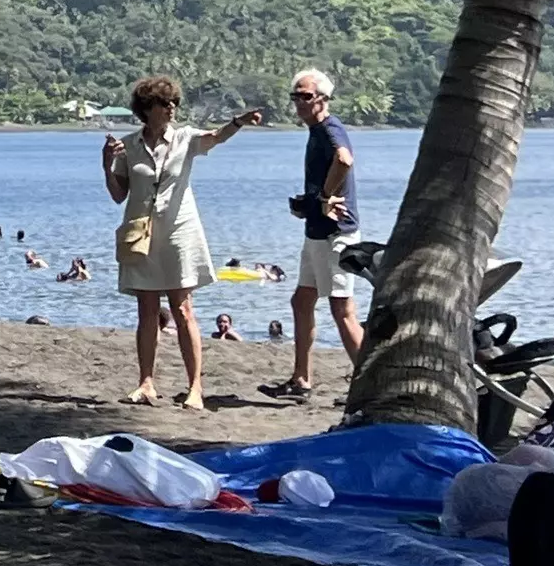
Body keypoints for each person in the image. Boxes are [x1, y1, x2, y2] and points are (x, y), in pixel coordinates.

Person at [103, 75, 264, 410]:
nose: (172, 107)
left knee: (183, 308)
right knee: (146, 310)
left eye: (174, 102)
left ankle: (195, 388)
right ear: (148, 109)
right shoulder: (129, 146)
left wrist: (239, 122)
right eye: (165, 103)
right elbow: (119, 195)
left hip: (179, 233)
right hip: (142, 234)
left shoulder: (185, 138)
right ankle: (146, 383)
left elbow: (216, 137)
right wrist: (106, 164)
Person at [264, 68, 365, 401]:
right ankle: (301, 378)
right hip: (317, 232)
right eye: (295, 96)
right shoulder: (316, 130)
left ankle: (369, 383)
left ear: (322, 98)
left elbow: (344, 160)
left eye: (305, 96)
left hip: (337, 233)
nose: (299, 103)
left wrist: (324, 195)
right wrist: (310, 203)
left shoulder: (329, 128)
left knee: (343, 311)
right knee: (301, 300)